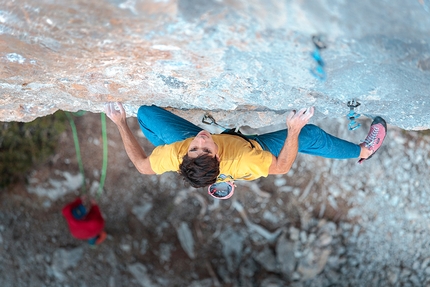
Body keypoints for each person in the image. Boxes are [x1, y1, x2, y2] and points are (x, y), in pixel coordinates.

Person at [105, 102, 387, 199]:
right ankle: (362, 151)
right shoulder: (245, 159)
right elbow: (282, 167)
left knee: (144, 114)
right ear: (216, 156)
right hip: (246, 146)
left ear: (186, 153)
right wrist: (293, 129)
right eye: (204, 146)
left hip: (203, 153)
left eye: (195, 147)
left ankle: (208, 176)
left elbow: (142, 166)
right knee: (309, 134)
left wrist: (120, 123)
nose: (202, 138)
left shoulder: (179, 152)